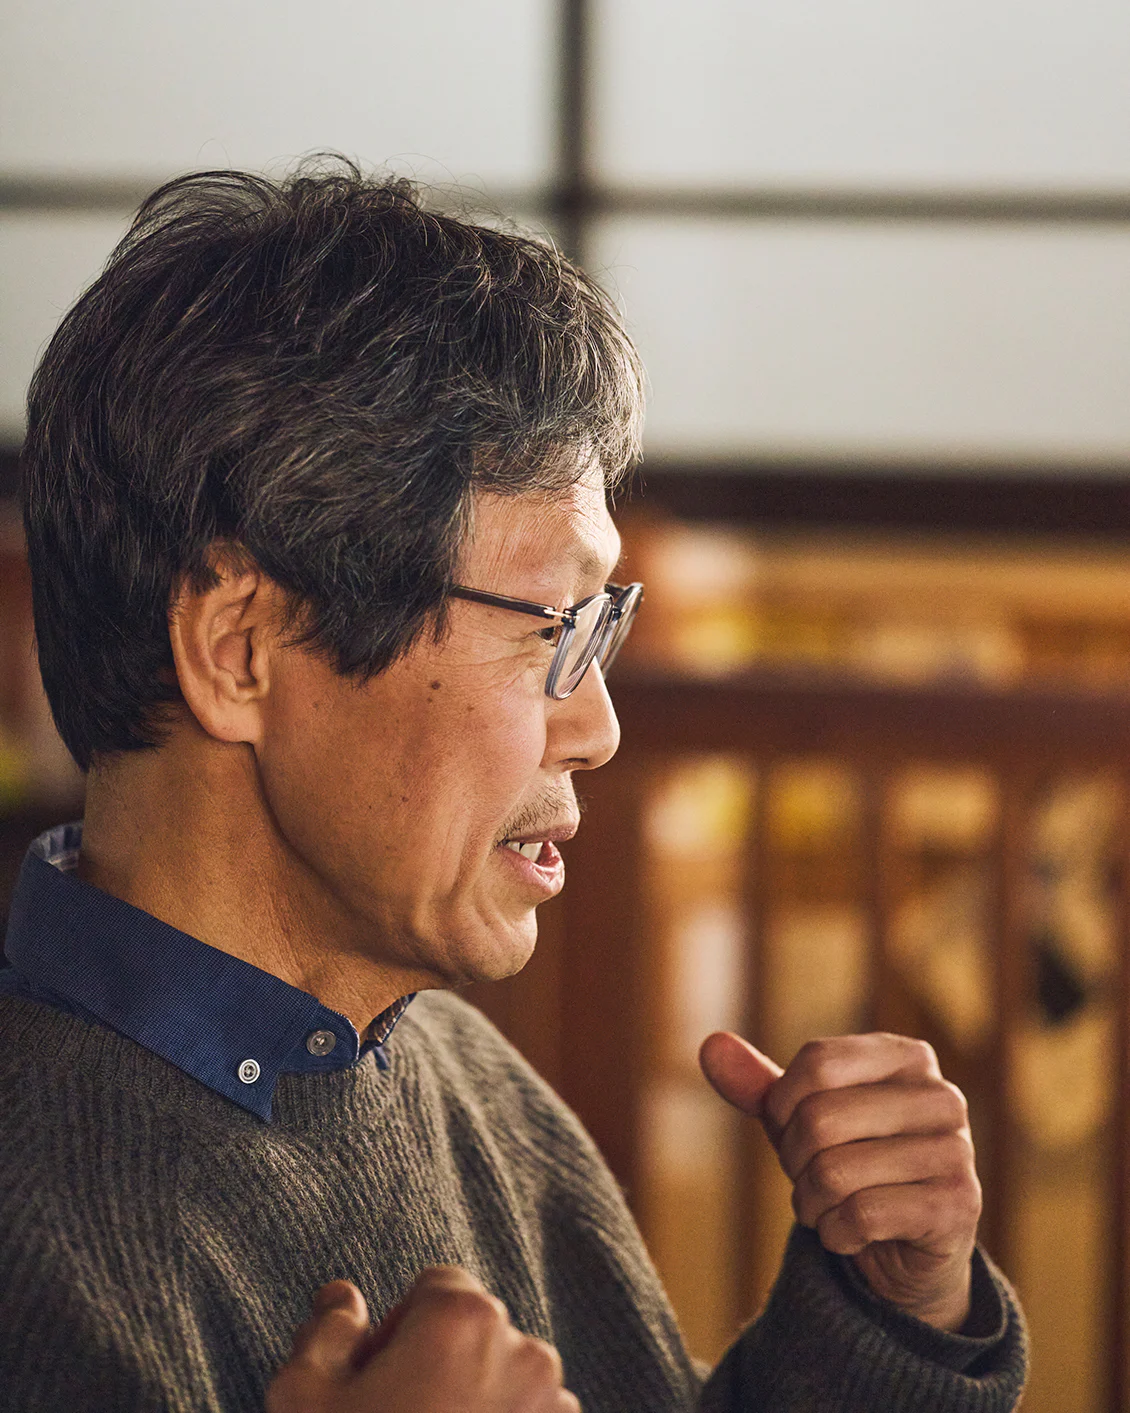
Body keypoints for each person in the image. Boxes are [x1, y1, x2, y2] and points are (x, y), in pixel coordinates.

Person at [0, 160, 1026, 1412]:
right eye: (548, 627)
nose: (595, 728)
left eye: (600, 628)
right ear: (241, 651)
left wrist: (891, 1315)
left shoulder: (461, 1073)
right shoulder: (34, 1226)